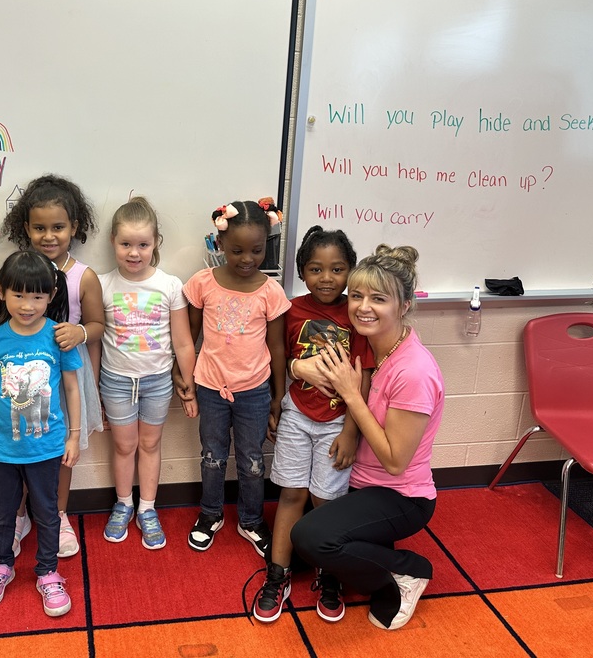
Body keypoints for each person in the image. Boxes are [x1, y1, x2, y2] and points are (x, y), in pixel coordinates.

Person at [290, 244, 444, 631]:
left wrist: (350, 393)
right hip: (360, 480)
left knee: (311, 537)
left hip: (401, 495)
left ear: (404, 304)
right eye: (356, 296)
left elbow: (395, 460)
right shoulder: (381, 349)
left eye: (379, 299)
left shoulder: (414, 370)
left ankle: (409, 571)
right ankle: (377, 554)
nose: (363, 307)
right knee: (298, 550)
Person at [253, 226, 373, 623]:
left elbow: (364, 378)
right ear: (302, 272)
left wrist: (352, 432)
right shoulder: (292, 310)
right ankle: (277, 575)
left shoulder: (356, 316)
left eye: (337, 269)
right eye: (316, 269)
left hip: (337, 423)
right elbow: (278, 359)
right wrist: (276, 405)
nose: (327, 278)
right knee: (291, 496)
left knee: (326, 501)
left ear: (350, 272)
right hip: (297, 416)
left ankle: (331, 573)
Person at [0, 174, 103, 558]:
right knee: (18, 448)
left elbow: (99, 325)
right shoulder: (15, 272)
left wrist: (80, 333)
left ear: (74, 227)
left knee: (60, 447)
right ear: (26, 228)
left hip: (63, 375)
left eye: (58, 227)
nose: (49, 235)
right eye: (39, 228)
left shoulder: (83, 275)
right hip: (18, 373)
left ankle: (59, 512)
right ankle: (18, 516)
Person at [0, 251, 82, 617]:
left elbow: (71, 388)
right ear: (2, 292)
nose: (27, 304)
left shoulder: (58, 336)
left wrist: (73, 436)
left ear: (51, 295)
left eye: (37, 296)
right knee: (3, 513)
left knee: (48, 512)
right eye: (19, 295)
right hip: (3, 448)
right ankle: (1, 565)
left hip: (47, 446)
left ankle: (48, 573)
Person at [183, 200, 290, 557]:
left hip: (255, 391)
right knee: (212, 454)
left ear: (267, 245)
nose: (247, 258)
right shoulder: (202, 283)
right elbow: (190, 336)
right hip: (211, 386)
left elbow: (277, 347)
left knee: (252, 459)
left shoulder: (271, 292)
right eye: (237, 250)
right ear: (220, 243)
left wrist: (278, 396)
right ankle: (210, 513)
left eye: (257, 250)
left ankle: (251, 519)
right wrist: (181, 375)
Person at [98, 197, 197, 549]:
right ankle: (123, 502)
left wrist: (190, 383)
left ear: (155, 243)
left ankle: (148, 508)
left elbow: (183, 342)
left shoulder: (169, 286)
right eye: (126, 244)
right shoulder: (103, 284)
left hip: (157, 381)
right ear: (113, 242)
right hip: (116, 380)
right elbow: (95, 339)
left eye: (143, 244)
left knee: (151, 443)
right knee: (124, 445)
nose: (134, 252)